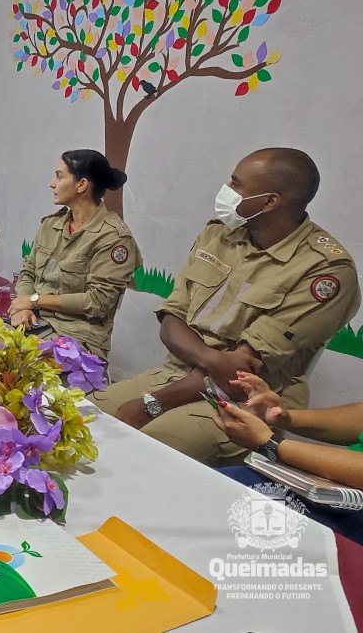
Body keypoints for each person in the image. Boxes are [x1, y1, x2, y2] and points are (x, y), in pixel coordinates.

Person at [90, 148, 360, 467]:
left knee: (141, 453)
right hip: (177, 373)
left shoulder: (325, 271)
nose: (226, 190)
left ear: (269, 201)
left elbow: (241, 372)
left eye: (235, 184)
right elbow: (171, 321)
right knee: (80, 419)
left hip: (244, 403)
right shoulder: (219, 234)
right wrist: (211, 358)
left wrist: (151, 404)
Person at [9, 149, 141, 361]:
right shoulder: (51, 225)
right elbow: (28, 272)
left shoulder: (113, 238)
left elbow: (96, 303)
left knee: (11, 366)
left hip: (78, 335)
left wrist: (34, 300)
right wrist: (22, 309)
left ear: (81, 185)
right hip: (37, 320)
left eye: (59, 176)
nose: (52, 183)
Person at [214, 371, 363, 544]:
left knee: (231, 493)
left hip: (352, 508)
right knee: (226, 484)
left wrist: (271, 443)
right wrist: (285, 417)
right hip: (333, 488)